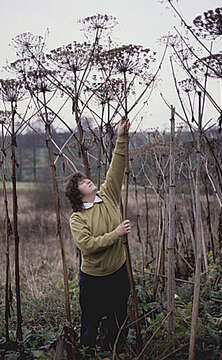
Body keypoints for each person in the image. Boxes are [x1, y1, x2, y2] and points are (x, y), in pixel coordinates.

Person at [65, 119, 131, 354]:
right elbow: (88, 246)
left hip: (118, 272)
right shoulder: (77, 218)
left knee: (119, 316)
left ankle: (116, 351)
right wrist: (116, 234)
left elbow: (116, 166)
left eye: (85, 179)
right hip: (92, 279)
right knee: (90, 322)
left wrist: (121, 137)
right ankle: (88, 353)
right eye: (81, 182)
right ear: (77, 193)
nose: (87, 180)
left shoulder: (109, 195)